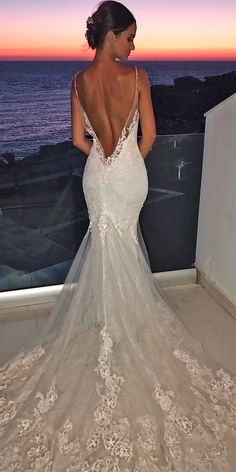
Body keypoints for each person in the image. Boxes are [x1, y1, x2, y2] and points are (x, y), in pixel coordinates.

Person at [0, 1, 236, 470]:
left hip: (96, 176)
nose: (134, 44)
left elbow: (76, 140)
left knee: (107, 248)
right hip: (128, 176)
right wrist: (125, 161)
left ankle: (108, 323)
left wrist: (102, 161)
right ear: (111, 37)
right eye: (130, 36)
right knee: (122, 246)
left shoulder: (77, 83)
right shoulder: (139, 77)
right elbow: (148, 136)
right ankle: (122, 328)